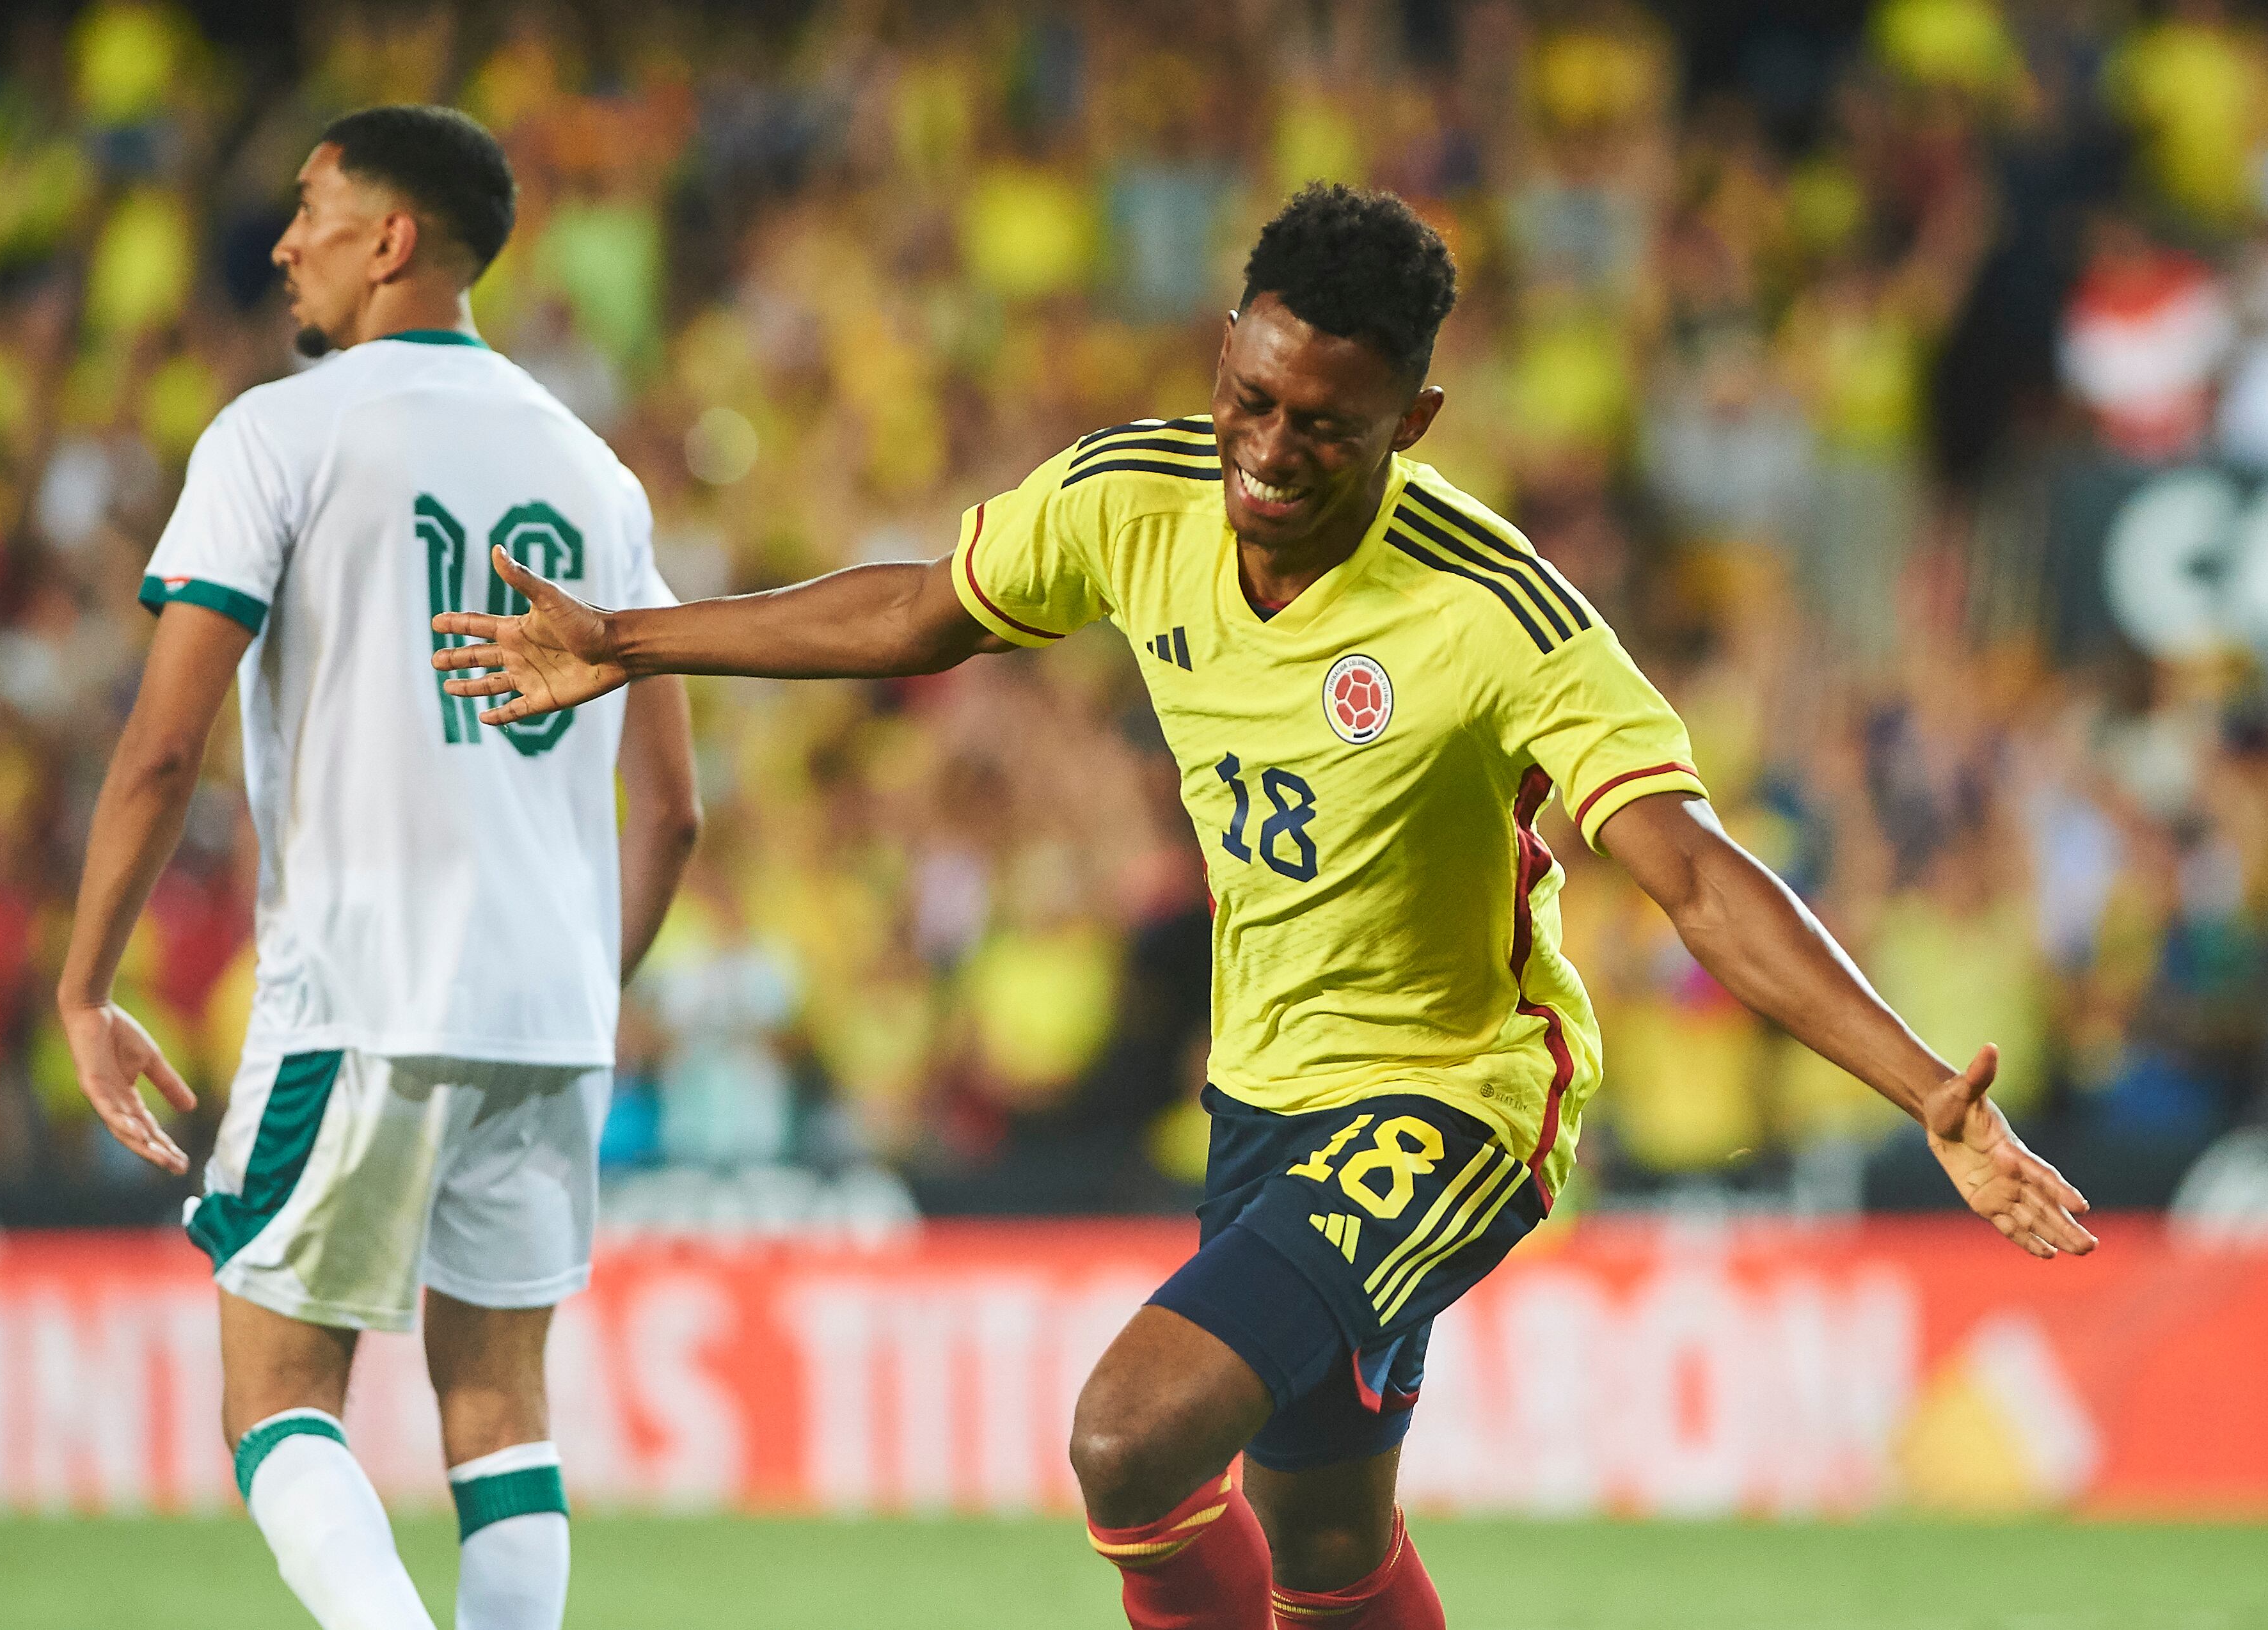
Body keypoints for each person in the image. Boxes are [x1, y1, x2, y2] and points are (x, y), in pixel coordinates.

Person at [432, 183, 2093, 1630]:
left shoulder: (1498, 615)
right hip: (1262, 1097)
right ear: (1225, 347)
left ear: (1412, 423)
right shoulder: (1131, 495)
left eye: (1326, 426)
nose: (1267, 452)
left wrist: (1914, 1086)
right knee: (1322, 1546)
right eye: (1251, 396)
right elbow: (918, 613)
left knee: (1128, 1436)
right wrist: (626, 639)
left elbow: (1689, 871)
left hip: (1450, 1096)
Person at [57, 106, 699, 1630]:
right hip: (549, 1010)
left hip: (361, 988)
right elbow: (673, 812)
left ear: (392, 239)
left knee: (273, 1393)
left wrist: (85, 985)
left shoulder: (280, 431)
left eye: (312, 208)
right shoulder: (595, 470)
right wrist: (567, 985)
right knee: (503, 1418)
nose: (284, 242)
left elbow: (161, 743)